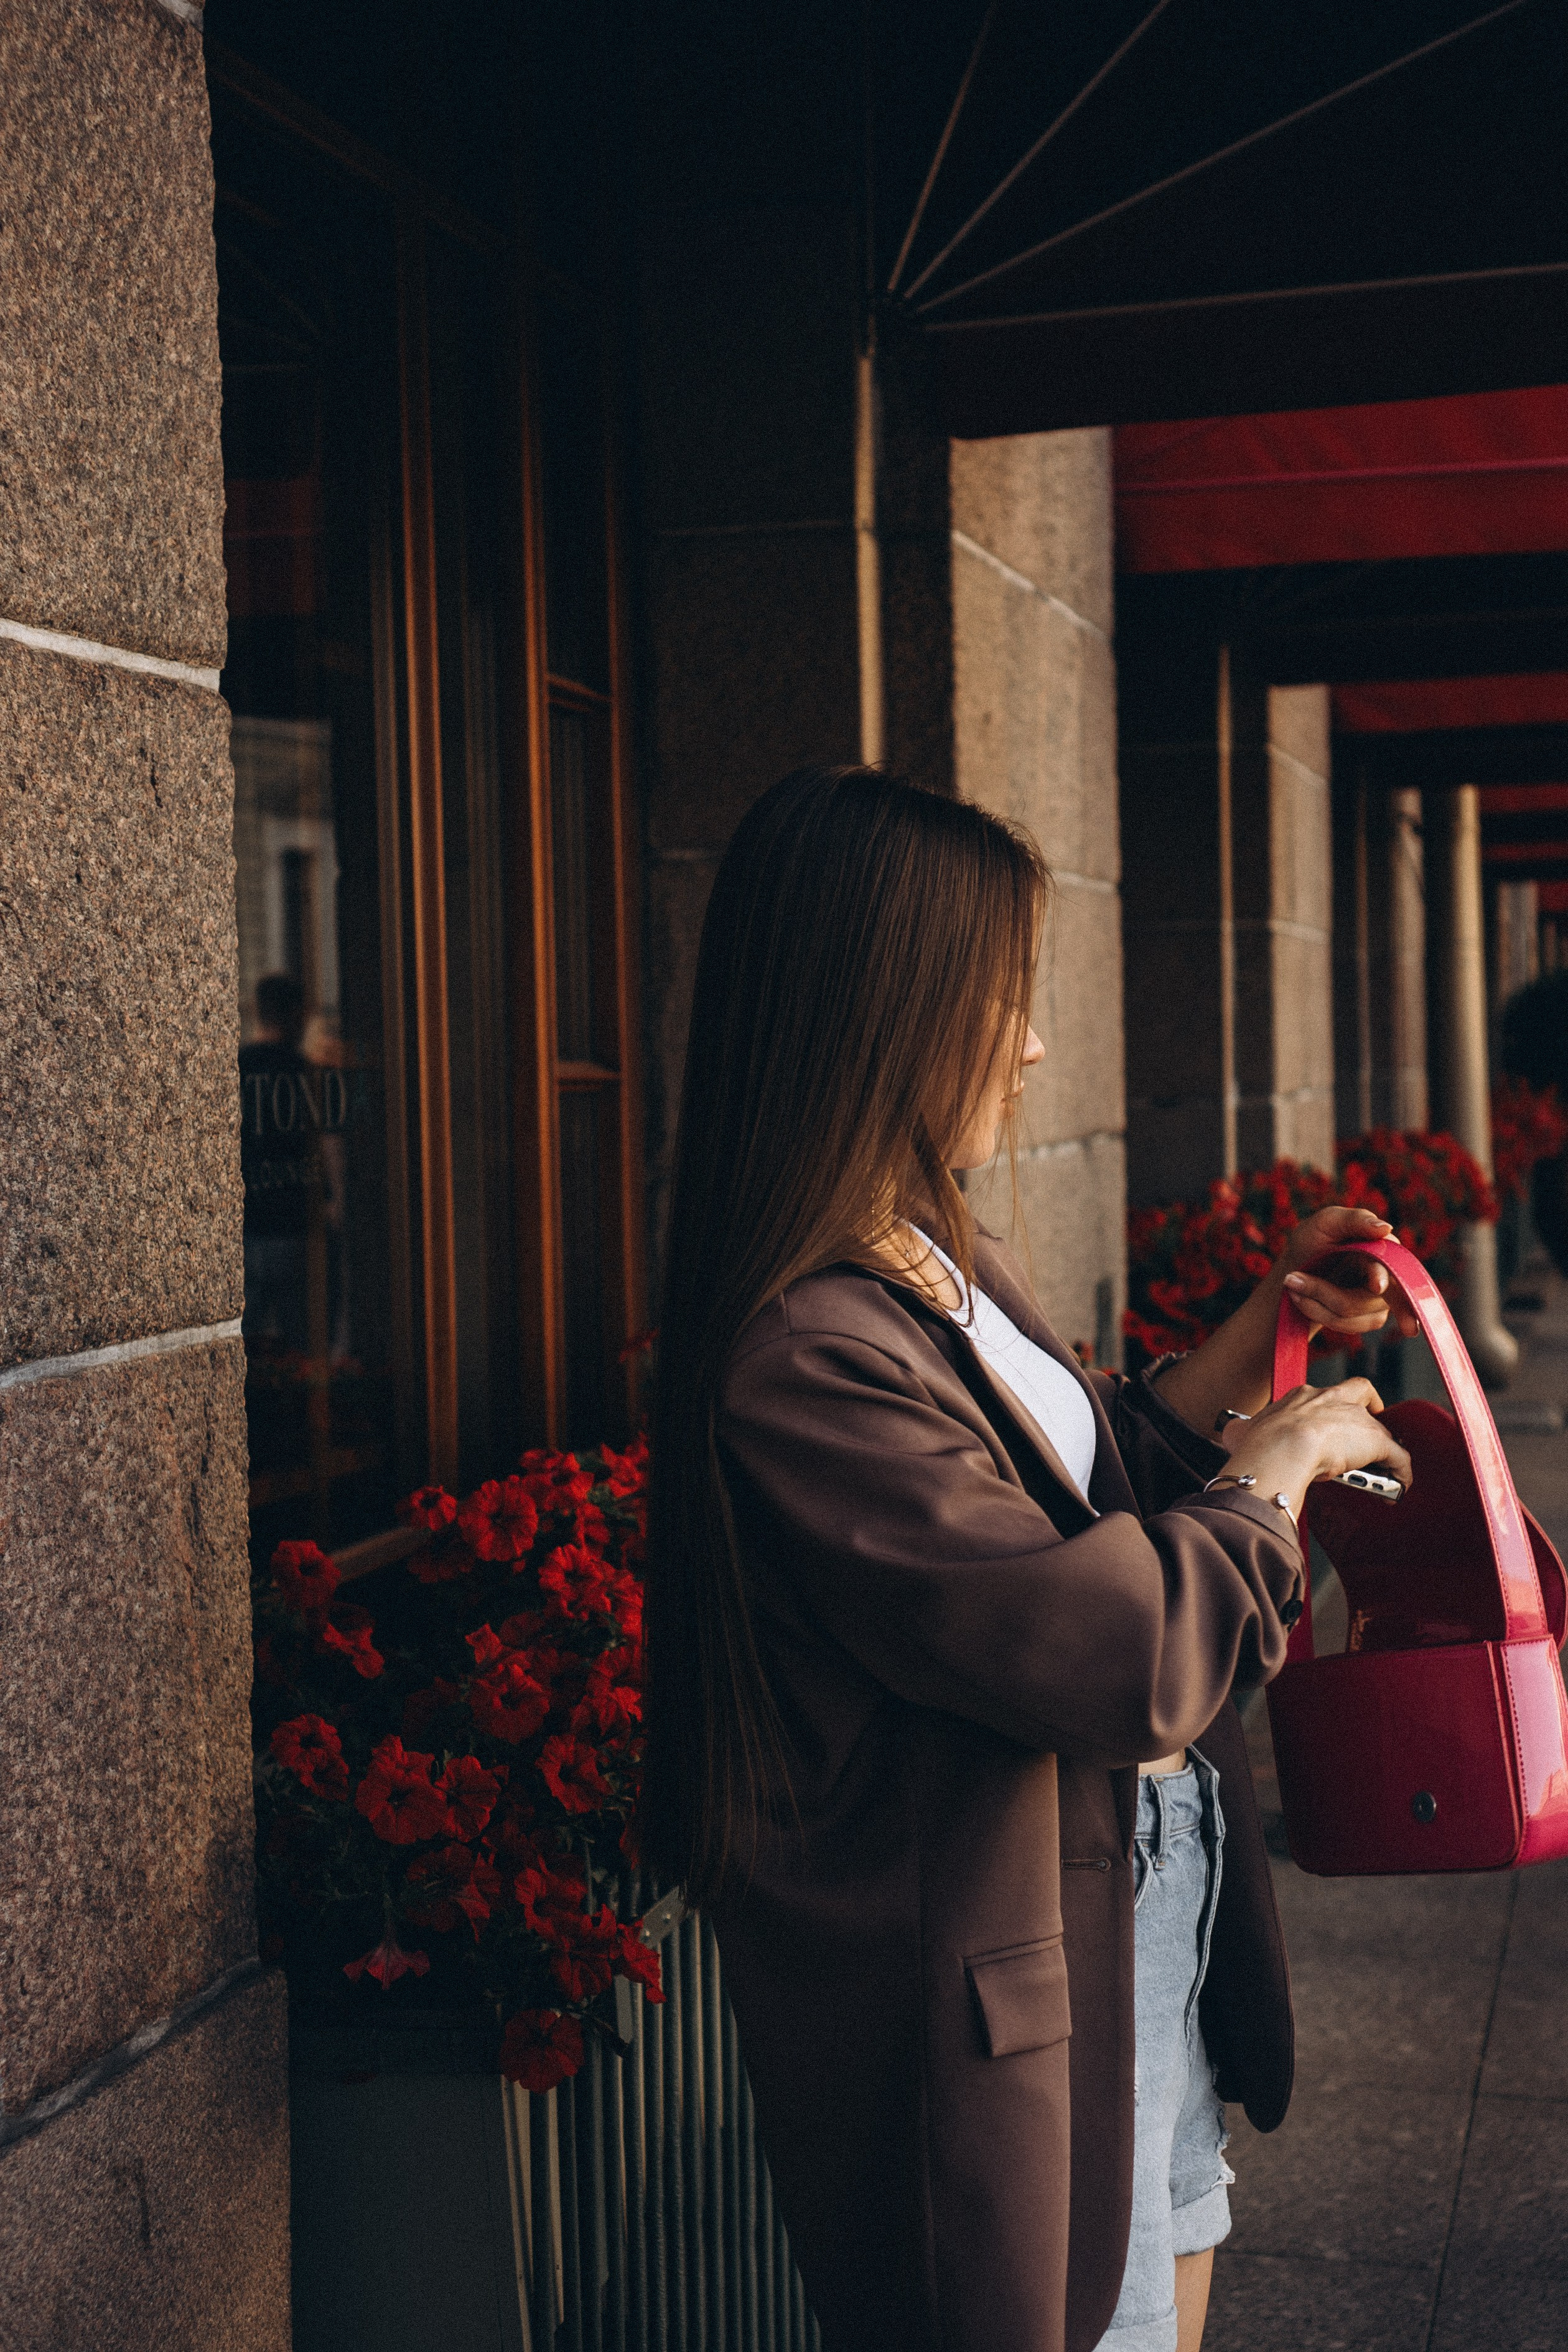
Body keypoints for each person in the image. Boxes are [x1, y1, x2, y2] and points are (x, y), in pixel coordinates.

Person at [643, 767, 1414, 2352]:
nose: (1037, 1042)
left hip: (1131, 1911)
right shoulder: (803, 1356)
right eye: (1005, 998)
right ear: (885, 1011)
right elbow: (1102, 1644)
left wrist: (1260, 1341)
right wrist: (1276, 1476)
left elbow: (1090, 1478)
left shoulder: (935, 1254)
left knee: (1171, 2271)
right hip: (1022, 1972)